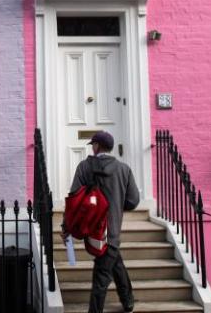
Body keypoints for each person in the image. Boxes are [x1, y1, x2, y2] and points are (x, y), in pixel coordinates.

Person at [64, 131, 140, 313]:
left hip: (92, 228)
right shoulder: (124, 169)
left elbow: (74, 198)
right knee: (111, 259)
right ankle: (128, 301)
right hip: (111, 229)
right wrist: (115, 207)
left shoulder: (84, 167)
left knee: (101, 276)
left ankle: (113, 305)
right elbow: (133, 201)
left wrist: (66, 226)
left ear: (97, 146)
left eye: (93, 144)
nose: (92, 147)